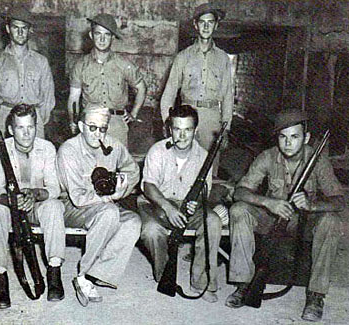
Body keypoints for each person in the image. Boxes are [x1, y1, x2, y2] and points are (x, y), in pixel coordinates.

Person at [225, 110, 345, 322]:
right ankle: (243, 284)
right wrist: (268, 202)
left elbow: (339, 201)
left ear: (306, 138)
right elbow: (240, 191)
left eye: (294, 136)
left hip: (303, 222)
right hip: (272, 219)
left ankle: (316, 295)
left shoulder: (318, 160)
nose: (288, 143)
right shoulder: (268, 157)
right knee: (239, 210)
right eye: (283, 137)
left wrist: (312, 205)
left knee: (332, 222)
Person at [57, 106, 142, 307]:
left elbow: (134, 171)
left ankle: (99, 272)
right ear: (80, 126)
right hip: (72, 206)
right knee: (110, 212)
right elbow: (77, 198)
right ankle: (84, 275)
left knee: (133, 222)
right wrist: (111, 197)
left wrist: (124, 188)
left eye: (102, 129)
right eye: (92, 128)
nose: (97, 134)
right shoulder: (68, 150)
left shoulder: (113, 145)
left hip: (104, 204)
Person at [138, 105, 222, 303]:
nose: (182, 136)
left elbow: (205, 191)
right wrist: (168, 207)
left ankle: (202, 282)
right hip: (156, 204)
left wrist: (198, 204)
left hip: (187, 206)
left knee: (213, 221)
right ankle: (164, 274)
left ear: (195, 131)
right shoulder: (157, 151)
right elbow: (148, 186)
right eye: (177, 129)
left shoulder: (204, 156)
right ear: (169, 130)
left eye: (187, 130)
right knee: (151, 231)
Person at [0, 104, 65, 308]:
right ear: (11, 129)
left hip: (36, 203)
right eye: (20, 128)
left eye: (30, 127)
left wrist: (35, 194)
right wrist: (11, 200)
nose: (26, 133)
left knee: (54, 207)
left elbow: (54, 188)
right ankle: (0, 276)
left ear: (36, 126)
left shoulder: (47, 148)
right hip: (10, 206)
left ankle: (54, 271)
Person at [160, 3, 233, 177]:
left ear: (216, 25)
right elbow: (169, 93)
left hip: (211, 120)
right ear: (195, 24)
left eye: (210, 22)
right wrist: (167, 121)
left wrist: (226, 128)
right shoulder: (183, 56)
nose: (206, 26)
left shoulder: (223, 58)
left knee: (209, 169)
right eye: (202, 22)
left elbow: (227, 95)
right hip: (187, 116)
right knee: (183, 165)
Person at [67, 13, 146, 147]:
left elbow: (141, 88)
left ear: (112, 37)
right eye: (98, 34)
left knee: (117, 164)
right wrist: (73, 121)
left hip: (116, 124)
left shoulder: (123, 64)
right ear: (92, 36)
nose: (102, 39)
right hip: (91, 123)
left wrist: (133, 113)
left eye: (107, 35)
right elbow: (73, 98)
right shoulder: (80, 65)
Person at [0, 7, 55, 138]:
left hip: (34, 119)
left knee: (37, 156)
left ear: (30, 30)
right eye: (16, 28)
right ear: (8, 29)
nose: (20, 32)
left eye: (24, 28)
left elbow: (48, 97)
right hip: (6, 118)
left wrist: (38, 119)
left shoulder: (41, 61)